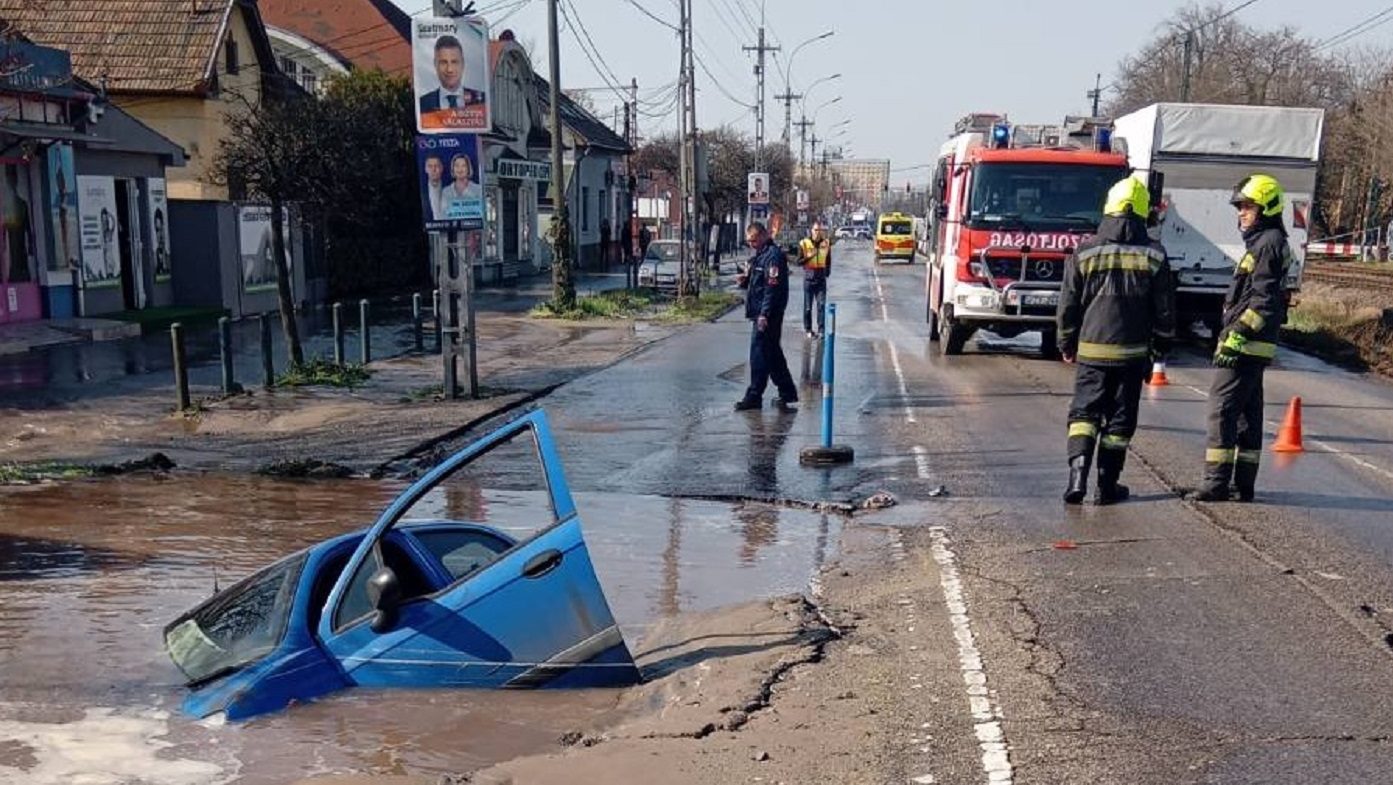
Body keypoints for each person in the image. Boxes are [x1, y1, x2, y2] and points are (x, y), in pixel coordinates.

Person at [1057, 176, 1175, 505]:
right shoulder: (1155, 255)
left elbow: (1068, 304)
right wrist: (1161, 346)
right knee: (1120, 421)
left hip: (1091, 352)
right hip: (1132, 356)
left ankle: (1076, 480)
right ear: (1143, 212)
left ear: (1108, 208)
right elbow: (1165, 309)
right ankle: (1107, 486)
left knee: (1084, 415)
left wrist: (1066, 342)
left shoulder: (1084, 252)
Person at [1190, 174, 1291, 503]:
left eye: (1248, 207)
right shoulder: (1267, 242)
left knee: (1221, 410)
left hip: (1245, 344)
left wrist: (1236, 337)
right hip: (1254, 345)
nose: (1241, 213)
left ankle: (1215, 483)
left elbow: (1262, 302)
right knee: (1247, 414)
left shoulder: (1267, 244)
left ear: (1267, 208)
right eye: (1240, 207)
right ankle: (1242, 484)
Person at [735, 222, 799, 412]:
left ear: (763, 236)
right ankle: (787, 391)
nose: (751, 244)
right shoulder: (761, 255)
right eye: (749, 241)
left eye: (754, 240)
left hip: (768, 314)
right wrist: (745, 281)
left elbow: (771, 288)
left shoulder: (773, 256)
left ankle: (754, 395)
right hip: (760, 312)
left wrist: (764, 314)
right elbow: (758, 282)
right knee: (771, 353)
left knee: (759, 354)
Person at [419, 35, 484, 114]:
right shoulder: (422, 104)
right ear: (435, 64)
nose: (449, 69)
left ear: (463, 64)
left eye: (454, 62)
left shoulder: (482, 100)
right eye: (443, 62)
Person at [797, 220, 833, 337]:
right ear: (811, 230)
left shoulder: (825, 243)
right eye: (816, 230)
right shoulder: (804, 243)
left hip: (820, 279)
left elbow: (828, 259)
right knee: (808, 307)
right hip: (809, 279)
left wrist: (827, 271)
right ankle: (808, 329)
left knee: (821, 305)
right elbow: (798, 262)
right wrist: (809, 257)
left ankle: (821, 330)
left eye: (820, 230)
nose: (818, 232)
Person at [442, 153, 482, 218]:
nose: (460, 169)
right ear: (453, 169)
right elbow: (443, 215)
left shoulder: (478, 189)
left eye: (463, 166)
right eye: (457, 166)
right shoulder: (446, 191)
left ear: (468, 168)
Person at [422, 154, 446, 220]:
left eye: (436, 166)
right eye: (430, 166)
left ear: (441, 168)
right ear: (425, 169)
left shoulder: (450, 187)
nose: (433, 169)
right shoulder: (421, 189)